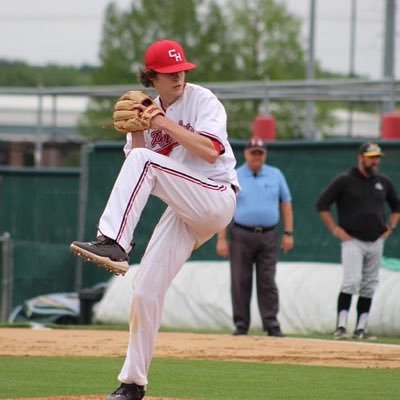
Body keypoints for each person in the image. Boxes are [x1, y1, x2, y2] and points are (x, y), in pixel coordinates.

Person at [70, 39, 238, 400]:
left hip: (216, 196)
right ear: (151, 77)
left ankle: (114, 242)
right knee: (145, 289)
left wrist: (161, 121)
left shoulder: (202, 100)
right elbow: (139, 157)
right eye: (169, 72)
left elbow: (210, 152)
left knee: (144, 161)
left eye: (182, 69)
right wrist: (137, 127)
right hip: (184, 209)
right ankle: (133, 383)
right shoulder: (148, 110)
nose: (178, 76)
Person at [316, 142, 400, 340]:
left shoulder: (382, 182)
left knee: (369, 284)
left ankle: (361, 328)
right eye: (371, 157)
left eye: (377, 157)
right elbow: (322, 204)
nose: (375, 161)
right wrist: (336, 229)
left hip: (376, 240)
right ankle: (341, 326)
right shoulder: (345, 180)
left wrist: (391, 226)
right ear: (360, 157)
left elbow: (397, 206)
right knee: (351, 282)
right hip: (353, 239)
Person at [216, 138, 294, 337]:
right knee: (240, 280)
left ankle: (271, 324)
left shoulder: (276, 174)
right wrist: (222, 238)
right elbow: (225, 207)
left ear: (265, 154)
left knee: (267, 280)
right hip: (241, 234)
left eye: (260, 153)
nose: (257, 156)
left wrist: (288, 233)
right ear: (246, 154)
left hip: (268, 234)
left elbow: (286, 203)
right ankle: (241, 325)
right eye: (253, 152)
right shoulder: (235, 175)